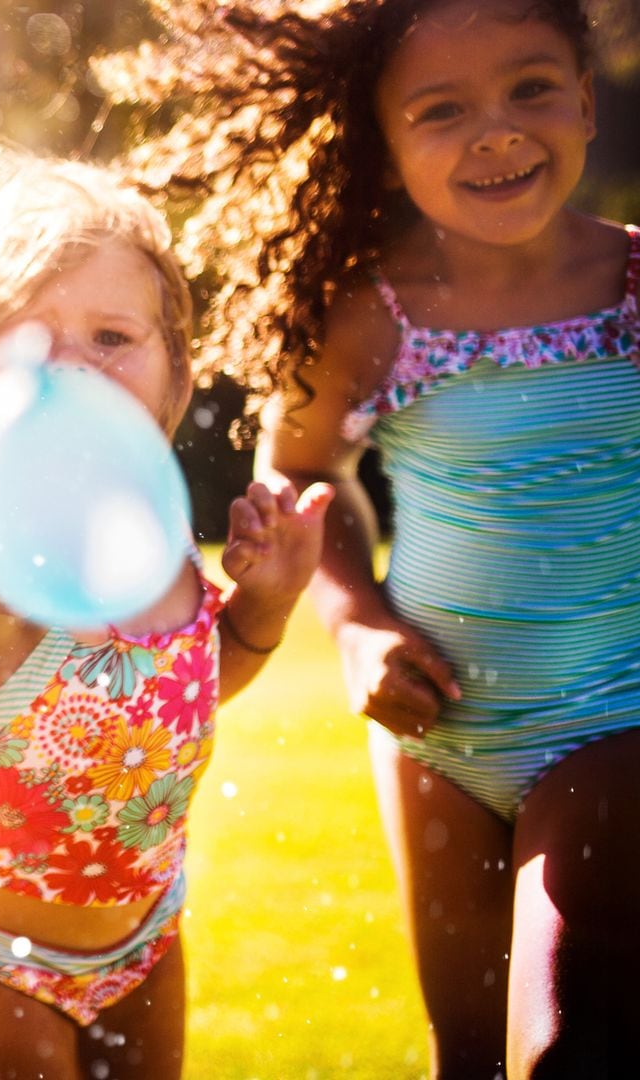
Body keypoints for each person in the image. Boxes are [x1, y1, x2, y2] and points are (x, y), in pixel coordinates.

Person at [108, 0, 639, 1072]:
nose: (495, 130)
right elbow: (301, 473)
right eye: (443, 110)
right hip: (434, 729)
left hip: (615, 720)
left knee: (565, 1043)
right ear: (384, 149)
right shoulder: (376, 312)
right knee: (467, 1054)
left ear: (586, 101)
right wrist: (353, 621)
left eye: (531, 88)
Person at [0, 149, 331, 1080]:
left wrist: (267, 603)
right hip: (3, 952)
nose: (71, 368)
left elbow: (192, 689)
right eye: (30, 342)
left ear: (174, 374)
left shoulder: (161, 531)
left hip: (149, 932)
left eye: (111, 337)